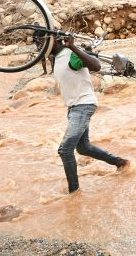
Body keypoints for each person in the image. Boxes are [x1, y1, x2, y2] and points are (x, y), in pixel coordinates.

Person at [53, 35, 130, 194]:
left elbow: (95, 65)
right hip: (73, 107)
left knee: (65, 150)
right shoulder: (54, 58)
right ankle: (120, 163)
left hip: (83, 105)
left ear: (53, 39)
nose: (38, 44)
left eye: (40, 40)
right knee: (83, 148)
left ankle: (74, 193)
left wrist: (74, 47)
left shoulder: (71, 53)